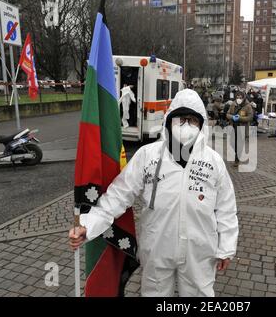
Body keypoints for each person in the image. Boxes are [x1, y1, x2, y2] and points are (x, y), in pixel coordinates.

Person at [69, 89, 239, 297]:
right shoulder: (148, 156)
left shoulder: (213, 162)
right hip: (157, 247)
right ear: (169, 120)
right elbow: (118, 195)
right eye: (181, 119)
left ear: (201, 124)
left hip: (200, 251)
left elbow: (226, 209)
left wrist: (226, 248)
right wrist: (88, 224)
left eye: (192, 120)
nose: (186, 125)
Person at [226, 91, 254, 167]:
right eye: (237, 97)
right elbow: (227, 114)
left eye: (240, 97)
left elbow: (250, 117)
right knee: (232, 143)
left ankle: (237, 159)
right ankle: (237, 153)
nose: (239, 99)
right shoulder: (233, 104)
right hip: (233, 126)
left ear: (243, 97)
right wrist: (232, 117)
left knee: (239, 144)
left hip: (242, 128)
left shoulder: (248, 106)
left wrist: (240, 118)